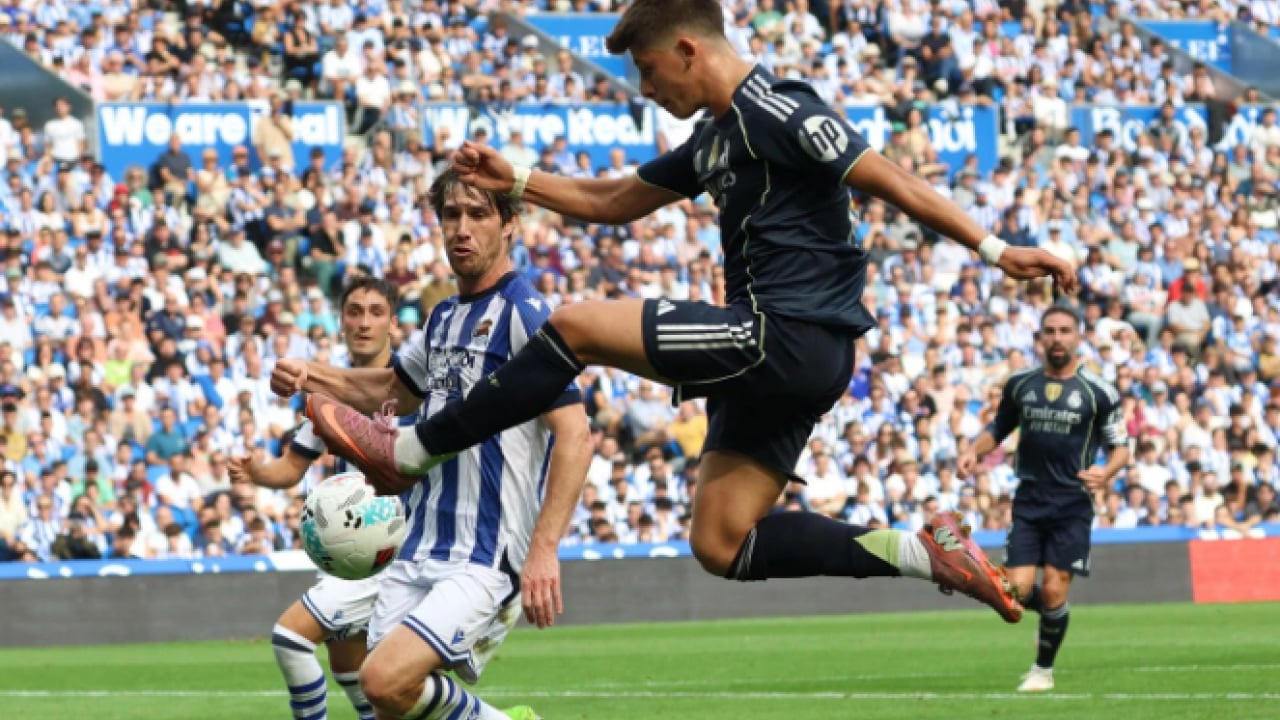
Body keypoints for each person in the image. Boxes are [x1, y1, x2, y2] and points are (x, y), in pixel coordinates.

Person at [281, 0, 1077, 625]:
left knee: (575, 326)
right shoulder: (714, 138)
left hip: (787, 334)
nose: (647, 90)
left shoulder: (780, 107)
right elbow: (617, 200)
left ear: (689, 49)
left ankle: (417, 447)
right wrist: (516, 178)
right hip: (788, 361)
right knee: (721, 542)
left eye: (652, 72)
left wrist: (994, 249)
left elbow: (884, 175)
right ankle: (923, 552)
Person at [271, 170, 592, 720]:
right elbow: (392, 390)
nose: (461, 229)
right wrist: (312, 375)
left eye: (479, 214)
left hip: (484, 554)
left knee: (385, 679)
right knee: (391, 700)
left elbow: (576, 435)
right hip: (418, 546)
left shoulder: (526, 314)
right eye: (451, 216)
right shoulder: (443, 318)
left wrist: (545, 550)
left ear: (510, 223)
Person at [230, 277, 408, 720]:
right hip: (354, 551)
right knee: (352, 670)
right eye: (354, 312)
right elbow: (291, 468)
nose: (363, 322)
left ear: (393, 325)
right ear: (341, 321)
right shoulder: (326, 395)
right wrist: (255, 472)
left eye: (375, 312)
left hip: (399, 550)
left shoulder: (413, 390)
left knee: (291, 640)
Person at [958, 307, 1130, 692]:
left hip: (1073, 501)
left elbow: (1121, 446)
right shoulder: (1020, 384)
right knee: (1015, 591)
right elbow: (999, 428)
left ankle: (1042, 670)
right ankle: (1054, 615)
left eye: (1065, 330)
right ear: (1040, 337)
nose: (1057, 337)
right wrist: (974, 451)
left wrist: (1107, 471)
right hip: (1030, 498)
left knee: (1054, 587)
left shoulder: (1098, 391)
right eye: (1050, 330)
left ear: (1077, 337)